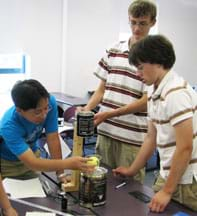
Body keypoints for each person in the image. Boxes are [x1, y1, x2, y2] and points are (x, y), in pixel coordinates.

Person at [113, 34, 197, 212]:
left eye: (141, 67)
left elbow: (185, 147)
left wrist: (167, 191)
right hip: (170, 172)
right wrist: (132, 170)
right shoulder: (153, 90)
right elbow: (151, 137)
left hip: (189, 180)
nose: (138, 73)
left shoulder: (175, 94)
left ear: (158, 62)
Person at [78, 0, 156, 183]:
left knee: (128, 192)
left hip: (132, 138)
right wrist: (88, 109)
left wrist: (109, 114)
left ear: (152, 22)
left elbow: (146, 100)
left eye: (143, 23)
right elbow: (101, 90)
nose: (137, 28)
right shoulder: (114, 50)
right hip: (105, 133)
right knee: (98, 183)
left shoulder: (155, 58)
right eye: (133, 22)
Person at [0, 79, 93, 181]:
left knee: (38, 190)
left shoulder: (49, 102)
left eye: (46, 109)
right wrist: (68, 163)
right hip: (8, 164)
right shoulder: (8, 126)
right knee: (13, 194)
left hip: (32, 154)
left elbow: (53, 139)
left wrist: (60, 173)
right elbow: (33, 163)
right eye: (37, 112)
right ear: (19, 110)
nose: (44, 115)